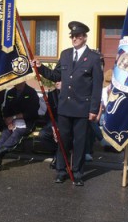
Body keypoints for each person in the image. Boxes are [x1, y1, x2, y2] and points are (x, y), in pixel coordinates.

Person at [34, 21, 103, 186]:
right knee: (63, 140)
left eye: (78, 36)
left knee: (79, 141)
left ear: (85, 38)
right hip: (65, 106)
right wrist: (41, 67)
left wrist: (94, 109)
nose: (75, 39)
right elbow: (56, 75)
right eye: (73, 36)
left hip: (82, 107)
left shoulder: (94, 58)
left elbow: (97, 86)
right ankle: (61, 170)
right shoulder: (65, 54)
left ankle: (78, 172)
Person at [0, 81, 40, 170]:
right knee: (5, 133)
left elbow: (32, 112)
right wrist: (9, 121)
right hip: (11, 121)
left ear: (23, 81)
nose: (15, 83)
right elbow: (6, 109)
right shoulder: (10, 92)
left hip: (27, 122)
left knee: (16, 134)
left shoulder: (31, 92)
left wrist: (14, 117)